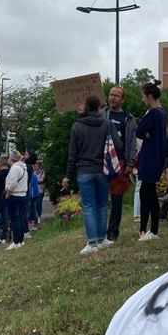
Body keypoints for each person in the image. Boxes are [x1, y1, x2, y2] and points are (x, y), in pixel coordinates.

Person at [62, 96, 119, 255]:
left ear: (86, 108)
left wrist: (67, 175)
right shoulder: (106, 124)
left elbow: (72, 154)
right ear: (99, 107)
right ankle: (102, 238)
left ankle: (92, 241)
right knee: (101, 205)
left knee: (88, 206)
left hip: (84, 170)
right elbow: (118, 144)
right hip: (103, 169)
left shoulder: (77, 127)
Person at [102, 87, 138, 242]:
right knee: (102, 198)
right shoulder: (102, 114)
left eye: (116, 96)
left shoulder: (128, 118)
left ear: (122, 99)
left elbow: (131, 143)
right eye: (111, 95)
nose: (113, 98)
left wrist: (130, 163)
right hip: (101, 161)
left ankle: (113, 232)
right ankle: (100, 231)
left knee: (117, 199)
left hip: (120, 162)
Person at [135, 80, 167, 241]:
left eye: (143, 96)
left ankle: (149, 229)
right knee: (149, 193)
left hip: (149, 156)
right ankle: (150, 229)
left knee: (147, 194)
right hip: (158, 156)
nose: (142, 100)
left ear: (149, 96)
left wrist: (146, 133)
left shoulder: (153, 113)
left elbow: (139, 130)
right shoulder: (162, 112)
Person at [4, 152, 30, 250]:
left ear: (11, 159)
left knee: (15, 219)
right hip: (23, 194)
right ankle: (21, 240)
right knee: (20, 218)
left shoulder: (15, 168)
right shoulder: (24, 167)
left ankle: (16, 241)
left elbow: (12, 183)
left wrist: (7, 194)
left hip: (14, 195)